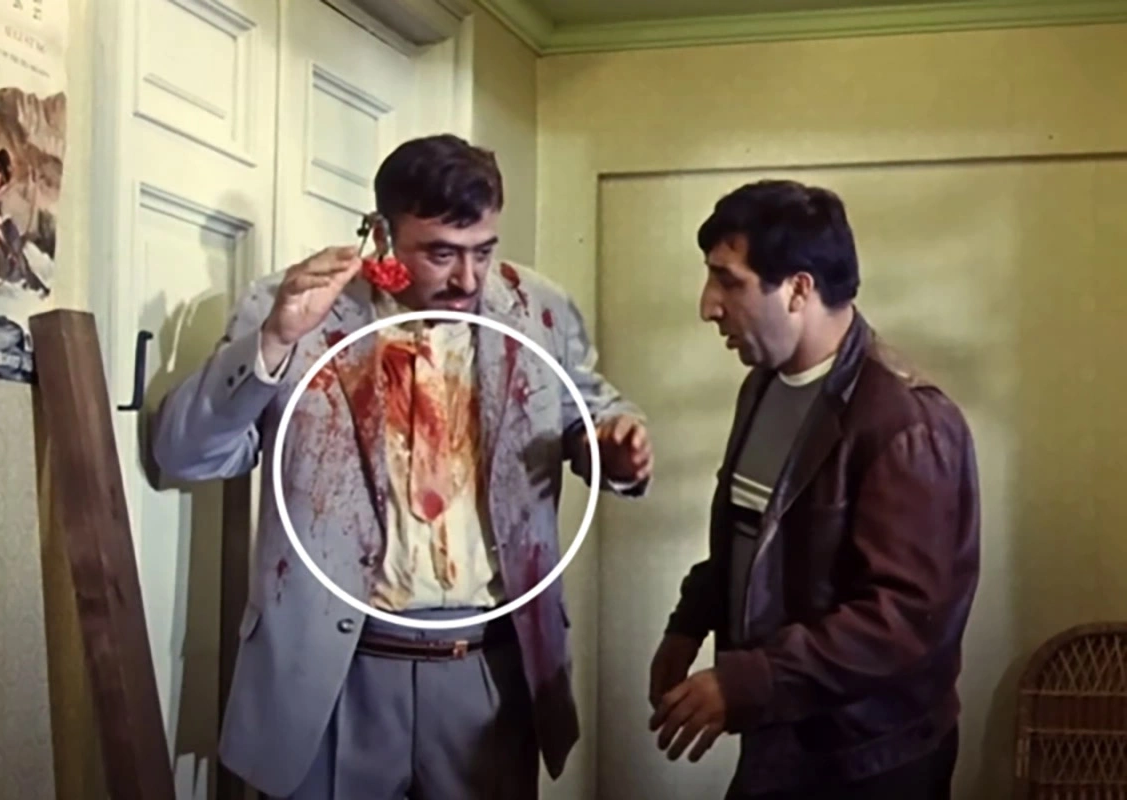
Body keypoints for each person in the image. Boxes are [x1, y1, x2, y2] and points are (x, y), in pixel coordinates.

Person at [151, 134, 653, 800]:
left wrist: (611, 448)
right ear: (383, 234)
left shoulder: (539, 310)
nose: (468, 279)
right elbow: (185, 454)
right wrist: (273, 340)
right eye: (440, 253)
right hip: (330, 677)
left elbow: (589, 413)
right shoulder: (297, 310)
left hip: (489, 674)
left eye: (483, 251)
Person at [647, 179, 980, 799]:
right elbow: (749, 537)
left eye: (728, 281)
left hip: (869, 760)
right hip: (782, 742)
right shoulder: (763, 386)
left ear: (799, 289)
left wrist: (747, 682)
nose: (708, 306)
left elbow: (904, 619)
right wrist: (689, 622)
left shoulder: (907, 421)